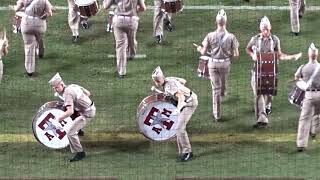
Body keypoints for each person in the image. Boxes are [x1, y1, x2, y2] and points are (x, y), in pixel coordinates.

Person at [246, 16, 301, 128]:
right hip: (257, 71)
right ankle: (262, 119)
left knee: (269, 92)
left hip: (271, 71)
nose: (265, 31)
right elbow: (247, 48)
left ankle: (268, 105)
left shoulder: (275, 40)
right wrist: (252, 55)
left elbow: (279, 55)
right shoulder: (255, 39)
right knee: (259, 94)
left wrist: (291, 57)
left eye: (267, 29)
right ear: (260, 29)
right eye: (263, 29)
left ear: (270, 28)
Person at [196, 9, 239, 121]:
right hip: (225, 64)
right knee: (223, 85)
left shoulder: (210, 35)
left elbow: (203, 52)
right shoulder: (231, 37)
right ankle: (223, 93)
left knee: (215, 89)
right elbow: (236, 55)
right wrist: (227, 54)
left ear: (216, 22)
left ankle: (217, 115)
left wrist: (199, 48)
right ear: (226, 22)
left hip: (213, 64)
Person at [152, 66, 198, 161]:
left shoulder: (169, 86)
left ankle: (188, 153)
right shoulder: (169, 79)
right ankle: (183, 152)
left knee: (179, 128)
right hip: (187, 100)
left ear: (159, 79)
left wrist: (178, 108)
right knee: (178, 128)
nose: (156, 83)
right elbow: (183, 81)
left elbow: (181, 97)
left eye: (157, 80)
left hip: (189, 103)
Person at [49, 73, 96, 161]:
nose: (55, 90)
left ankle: (80, 153)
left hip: (87, 113)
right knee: (69, 110)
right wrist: (80, 103)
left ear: (62, 84)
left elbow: (70, 112)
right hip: (88, 108)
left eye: (57, 87)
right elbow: (88, 93)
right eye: (54, 88)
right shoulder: (72, 85)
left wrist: (58, 119)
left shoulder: (67, 94)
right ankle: (79, 130)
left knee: (70, 133)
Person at [103, 0, 146, 79]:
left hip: (118, 20)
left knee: (120, 46)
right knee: (132, 40)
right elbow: (143, 8)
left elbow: (105, 6)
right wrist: (135, 10)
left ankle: (122, 72)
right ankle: (132, 54)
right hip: (132, 20)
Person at [14, 0, 52, 77]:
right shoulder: (44, 1)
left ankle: (30, 70)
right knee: (39, 39)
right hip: (40, 24)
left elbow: (16, 9)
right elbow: (49, 13)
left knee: (29, 46)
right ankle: (41, 52)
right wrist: (44, 16)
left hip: (27, 24)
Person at [295, 43, 320, 152]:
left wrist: (302, 82)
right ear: (317, 55)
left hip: (309, 96)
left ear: (309, 55)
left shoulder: (303, 68)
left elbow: (296, 79)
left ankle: (301, 144)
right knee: (318, 115)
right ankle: (315, 132)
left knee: (304, 119)